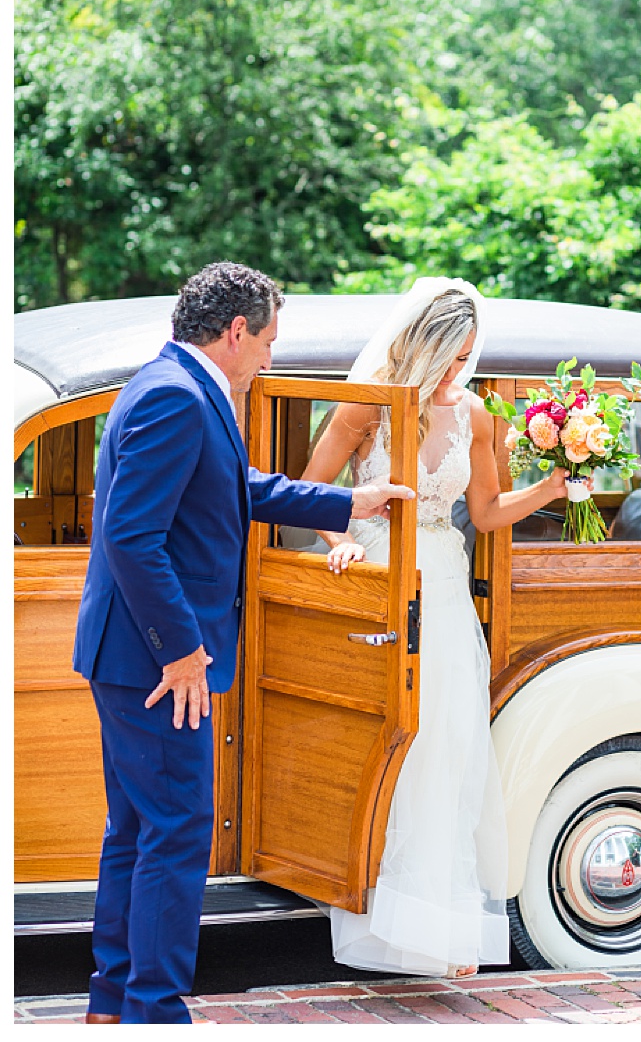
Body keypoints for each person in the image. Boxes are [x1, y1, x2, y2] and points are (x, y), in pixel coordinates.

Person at [73, 263, 416, 1024]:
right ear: (236, 332)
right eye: (267, 342)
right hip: (158, 665)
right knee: (179, 830)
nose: (268, 359)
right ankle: (154, 1010)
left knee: (137, 828)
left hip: (132, 657)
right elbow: (130, 537)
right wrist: (181, 649)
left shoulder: (174, 382)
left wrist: (348, 499)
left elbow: (238, 488)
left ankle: (113, 1000)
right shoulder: (175, 396)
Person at [298, 278, 577, 978]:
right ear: (421, 347)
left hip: (445, 589)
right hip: (377, 580)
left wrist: (549, 489)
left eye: (467, 358)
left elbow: (482, 513)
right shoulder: (368, 407)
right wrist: (339, 540)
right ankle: (378, 920)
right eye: (449, 358)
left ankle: (443, 931)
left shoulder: (479, 415)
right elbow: (309, 493)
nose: (459, 373)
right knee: (396, 748)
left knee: (449, 749)